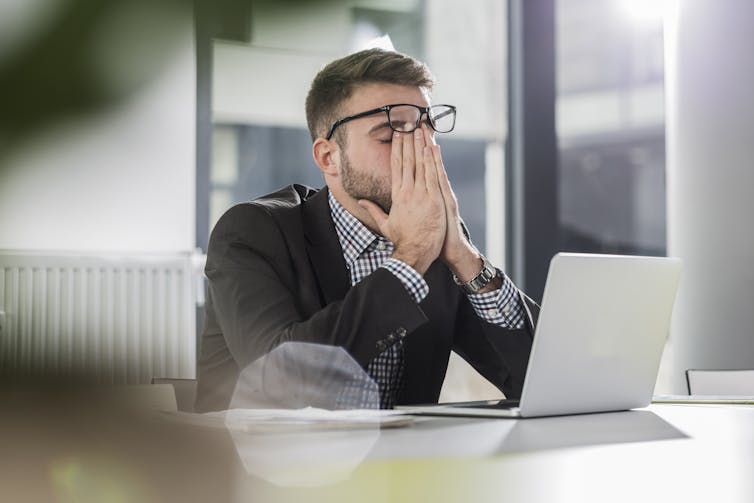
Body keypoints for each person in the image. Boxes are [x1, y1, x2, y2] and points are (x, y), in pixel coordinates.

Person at [195, 48, 538, 412]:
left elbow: (536, 377)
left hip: (399, 465)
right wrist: (409, 261)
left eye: (427, 132)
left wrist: (466, 261)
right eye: (391, 137)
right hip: (254, 464)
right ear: (329, 157)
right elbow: (284, 382)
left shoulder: (436, 239)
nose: (420, 152)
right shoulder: (251, 232)